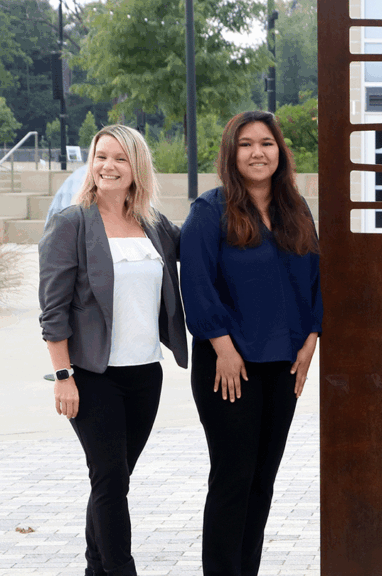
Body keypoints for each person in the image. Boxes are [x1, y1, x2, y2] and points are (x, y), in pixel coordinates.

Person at [38, 124, 188, 576]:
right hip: (91, 376)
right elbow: (53, 310)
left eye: (120, 158)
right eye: (101, 156)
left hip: (145, 375)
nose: (108, 166)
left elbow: (202, 247)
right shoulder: (71, 224)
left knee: (113, 481)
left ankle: (94, 569)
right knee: (109, 481)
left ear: (137, 166)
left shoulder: (154, 225)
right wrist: (63, 377)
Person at [180, 110, 322, 576]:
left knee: (263, 480)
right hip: (229, 364)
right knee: (233, 479)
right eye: (245, 144)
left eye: (266, 142)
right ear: (231, 153)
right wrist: (222, 346)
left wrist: (311, 340)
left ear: (280, 151)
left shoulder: (295, 211)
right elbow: (197, 285)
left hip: (283, 364)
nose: (257, 152)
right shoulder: (209, 211)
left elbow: (318, 280)